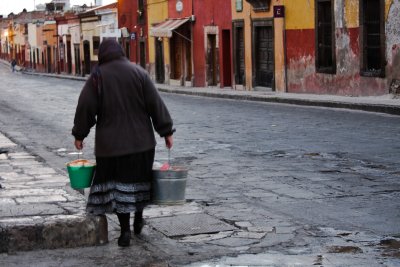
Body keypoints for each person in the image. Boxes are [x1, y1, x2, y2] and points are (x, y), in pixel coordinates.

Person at [72, 39, 175, 247]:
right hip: (142, 144)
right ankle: (138, 218)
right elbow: (156, 103)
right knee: (139, 183)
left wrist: (79, 135)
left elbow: (86, 107)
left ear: (102, 55)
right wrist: (166, 131)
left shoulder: (97, 77)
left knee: (119, 190)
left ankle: (125, 230)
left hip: (111, 148)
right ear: (121, 52)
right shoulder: (139, 73)